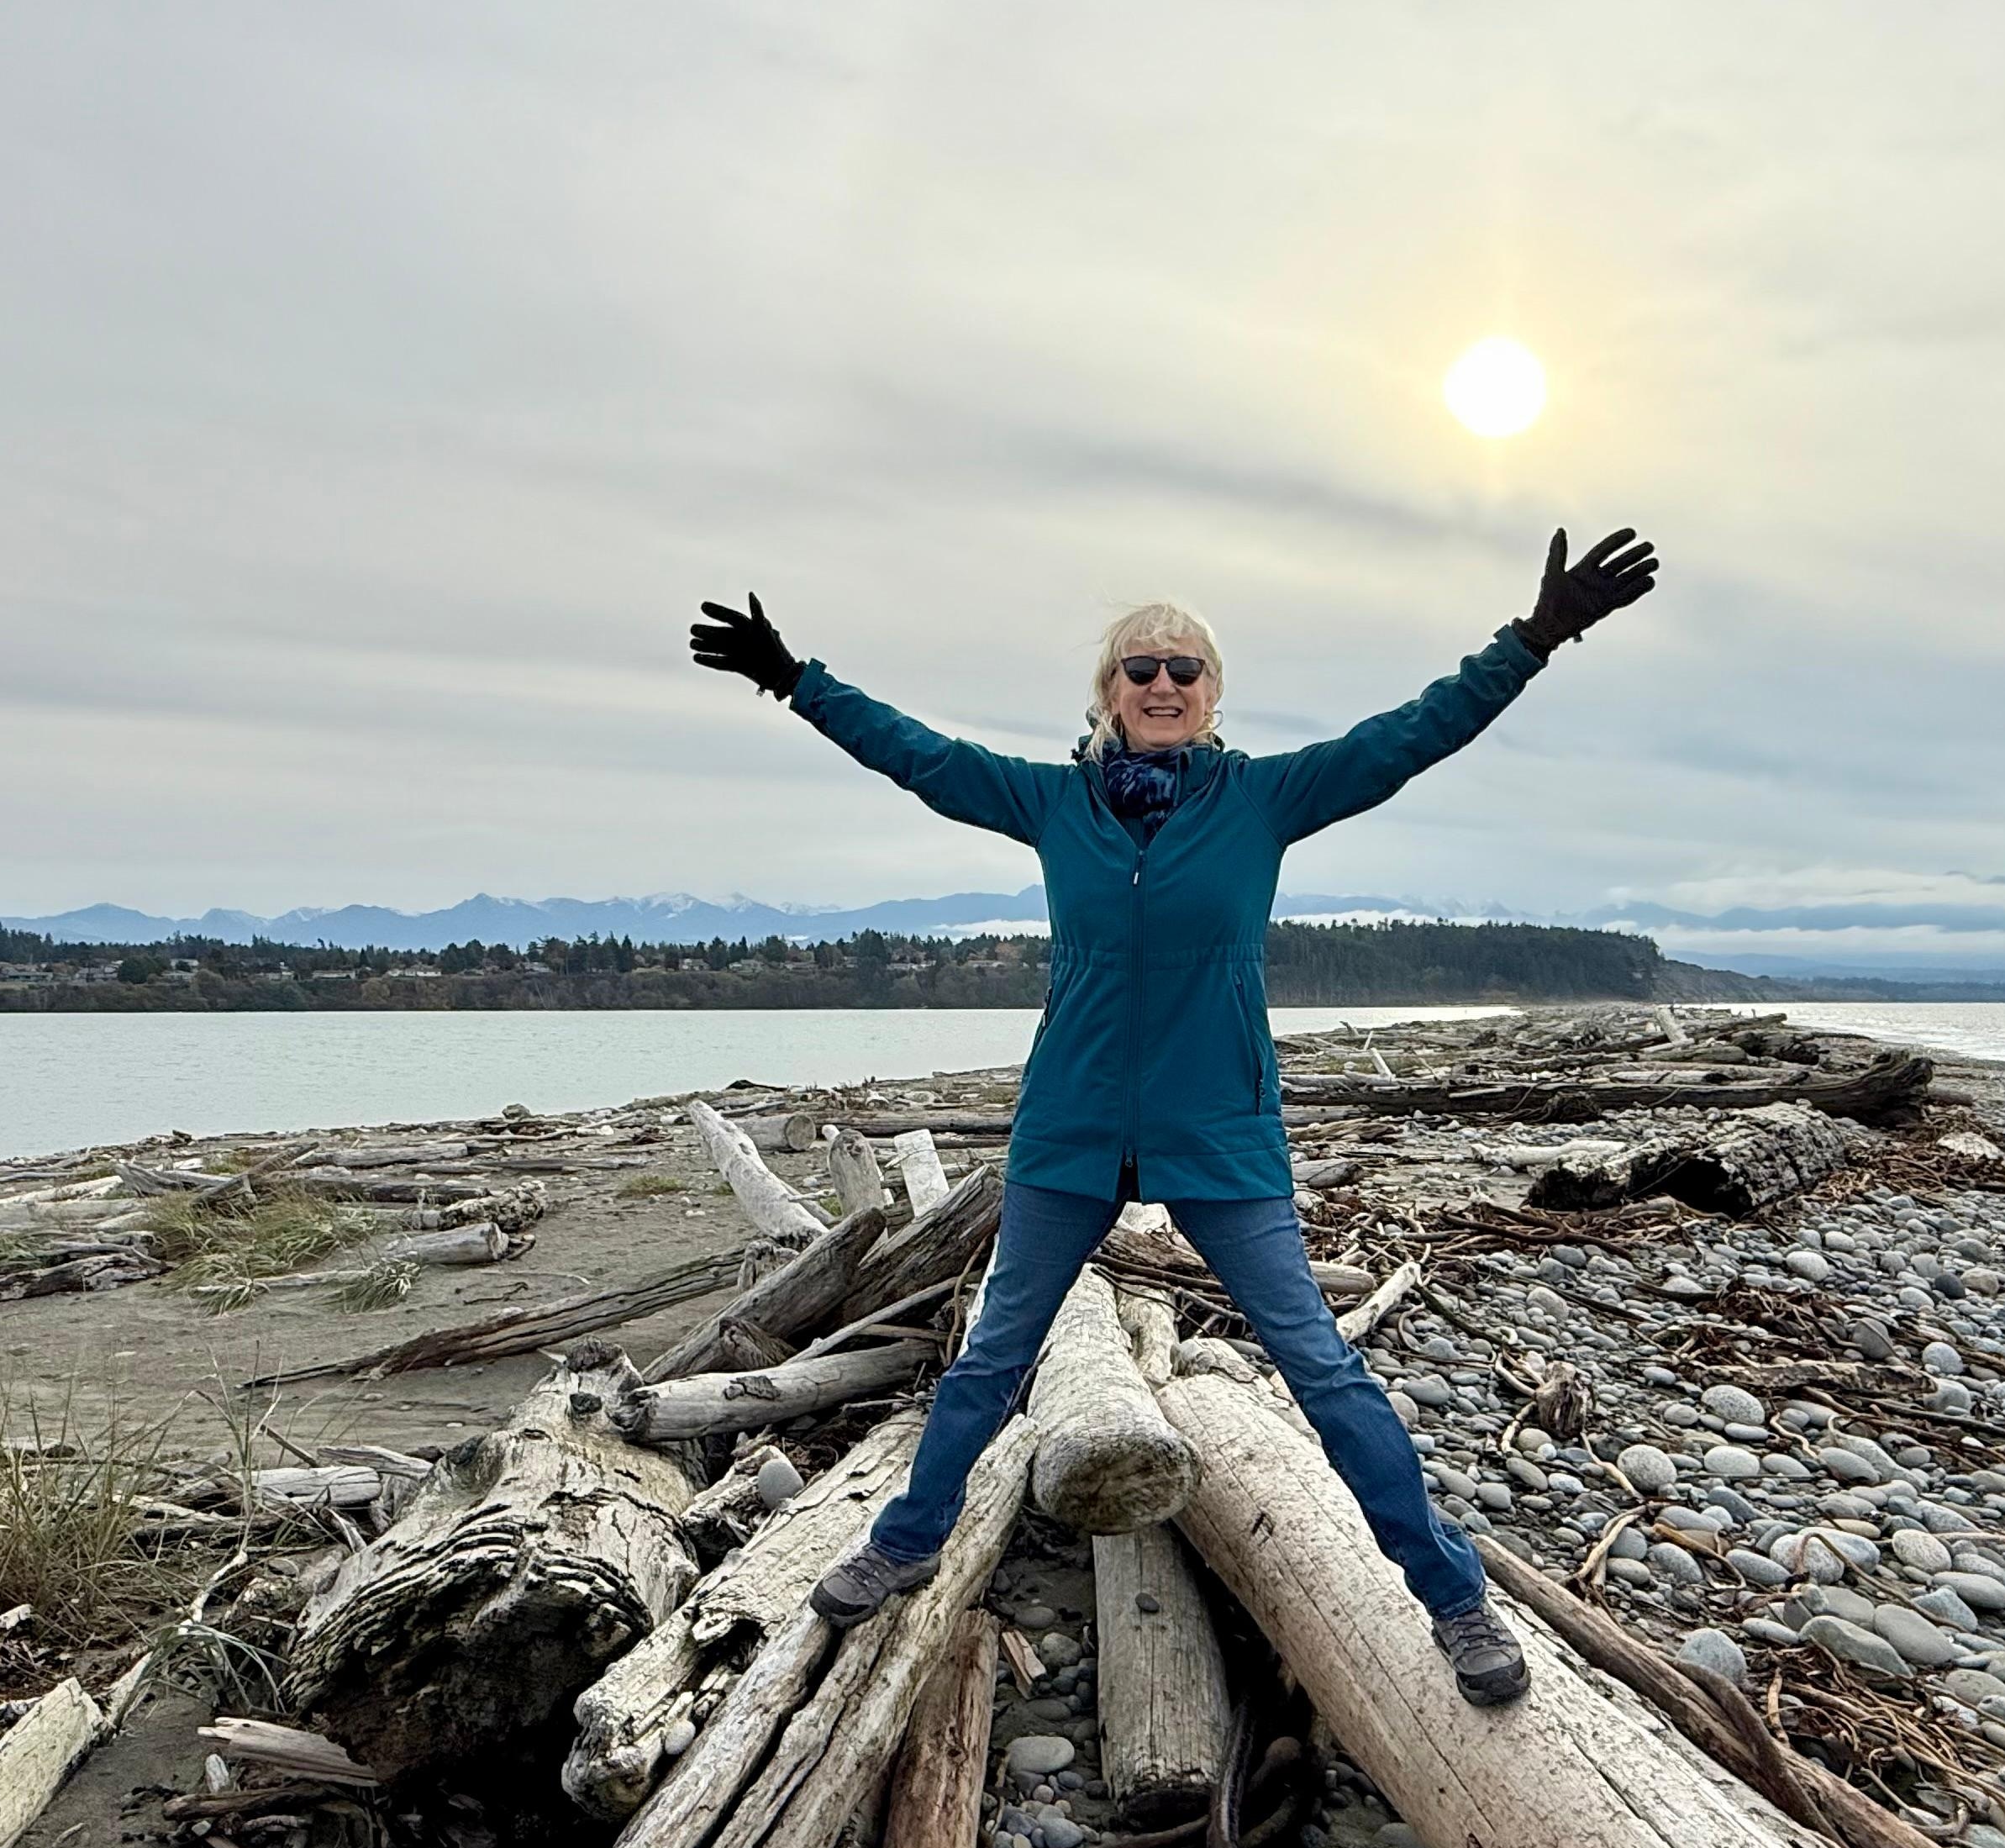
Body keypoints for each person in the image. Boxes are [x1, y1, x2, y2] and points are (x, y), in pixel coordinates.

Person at [688, 525, 1658, 1708]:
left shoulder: (1263, 800)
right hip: (1071, 1127)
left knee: (1318, 1362)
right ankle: (908, 1540)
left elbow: (1411, 734)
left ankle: (1453, 1598)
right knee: (993, 1353)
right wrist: (796, 680)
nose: (1161, 683)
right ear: (1108, 693)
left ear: (1211, 695)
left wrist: (1532, 640)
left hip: (1219, 1131)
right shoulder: (1053, 805)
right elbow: (917, 755)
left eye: (1183, 669)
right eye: (1139, 668)